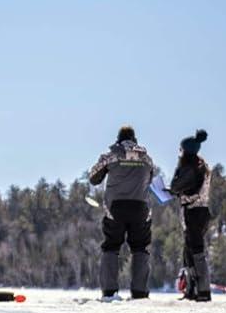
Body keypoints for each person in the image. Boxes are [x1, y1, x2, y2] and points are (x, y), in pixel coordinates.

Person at [88, 125, 160, 299]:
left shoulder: (111, 156)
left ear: (118, 140)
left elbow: (93, 178)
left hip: (116, 208)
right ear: (135, 140)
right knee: (140, 248)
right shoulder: (147, 159)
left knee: (111, 246)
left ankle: (109, 291)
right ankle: (140, 292)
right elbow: (150, 179)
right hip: (140, 208)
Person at [169, 130, 213, 302]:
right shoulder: (202, 166)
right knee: (190, 250)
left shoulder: (189, 168)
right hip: (202, 211)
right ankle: (193, 289)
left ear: (186, 151)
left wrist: (175, 180)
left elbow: (176, 186)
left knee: (195, 250)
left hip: (193, 212)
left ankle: (202, 291)